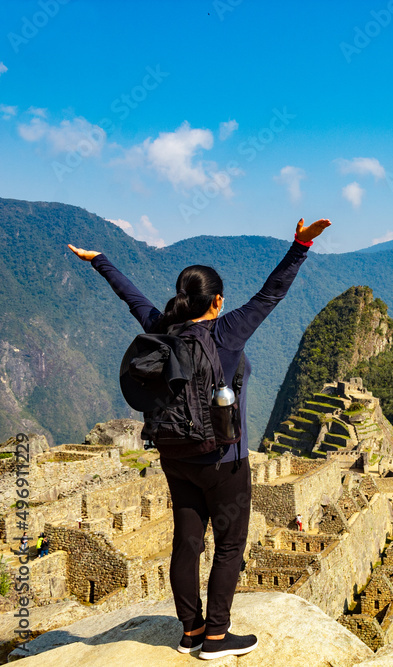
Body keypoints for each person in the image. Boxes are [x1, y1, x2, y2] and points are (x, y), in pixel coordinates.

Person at [68, 217, 330, 660]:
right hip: (224, 462)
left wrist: (101, 262)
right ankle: (217, 637)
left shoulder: (162, 329)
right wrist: (300, 244)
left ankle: (190, 631)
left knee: (187, 543)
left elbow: (131, 298)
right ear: (218, 301)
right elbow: (272, 293)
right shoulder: (226, 333)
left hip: (175, 457)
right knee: (229, 546)